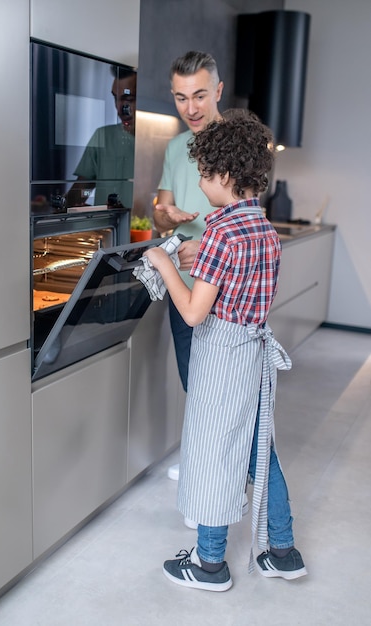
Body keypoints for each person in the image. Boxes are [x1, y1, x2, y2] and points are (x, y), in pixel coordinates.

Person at [144, 111, 307, 591]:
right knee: (259, 451)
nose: (199, 181)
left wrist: (162, 262)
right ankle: (283, 550)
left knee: (215, 452)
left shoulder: (218, 230)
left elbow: (194, 313)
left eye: (205, 173)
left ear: (227, 175)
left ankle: (210, 562)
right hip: (254, 356)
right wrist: (199, 259)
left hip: (221, 358)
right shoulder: (263, 229)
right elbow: (235, 274)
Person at [154, 51, 248, 522]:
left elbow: (245, 219)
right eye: (179, 97)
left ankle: (224, 485)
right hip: (183, 285)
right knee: (196, 381)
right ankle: (202, 466)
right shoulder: (175, 149)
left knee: (225, 394)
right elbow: (160, 207)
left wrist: (203, 246)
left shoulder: (236, 145)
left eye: (199, 95)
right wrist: (167, 216)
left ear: (218, 90)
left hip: (223, 289)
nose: (190, 107)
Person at [67, 66, 136, 209]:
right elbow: (79, 191)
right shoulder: (103, 135)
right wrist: (55, 205)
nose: (119, 108)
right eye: (115, 99)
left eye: (128, 99)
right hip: (104, 230)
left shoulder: (157, 145)